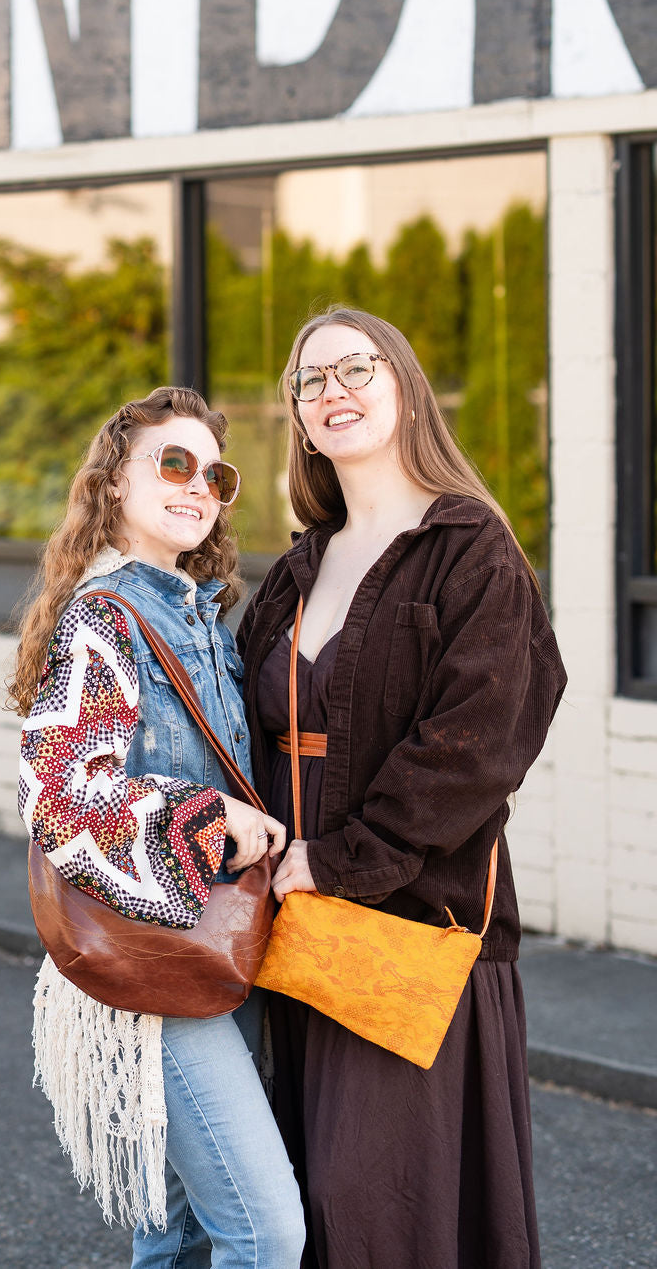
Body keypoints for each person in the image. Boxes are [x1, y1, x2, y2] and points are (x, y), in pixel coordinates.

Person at [237, 307, 567, 1269]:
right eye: (311, 381)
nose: (333, 391)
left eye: (355, 368)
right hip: (293, 932)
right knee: (299, 1213)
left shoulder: (471, 549)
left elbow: (479, 744)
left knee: (383, 1217)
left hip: (406, 935)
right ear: (297, 419)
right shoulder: (300, 565)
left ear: (404, 384)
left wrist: (337, 861)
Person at [10, 386, 306, 1269]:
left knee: (176, 1236)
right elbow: (62, 795)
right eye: (172, 463)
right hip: (152, 963)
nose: (198, 486)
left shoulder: (198, 614)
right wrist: (207, 818)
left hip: (221, 942)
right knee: (265, 1232)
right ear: (112, 484)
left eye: (216, 473)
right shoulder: (107, 618)